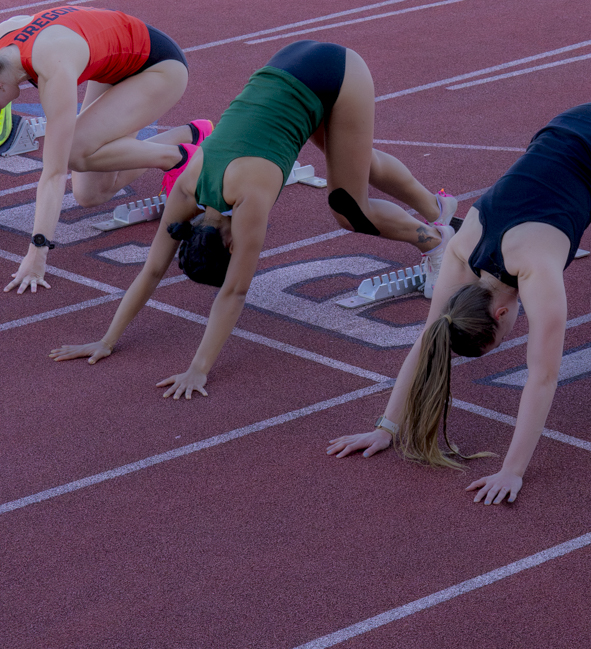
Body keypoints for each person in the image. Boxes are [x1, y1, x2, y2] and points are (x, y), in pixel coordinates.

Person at [327, 102, 591, 504]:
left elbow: (543, 378)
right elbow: (428, 339)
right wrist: (386, 428)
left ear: (499, 314)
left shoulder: (535, 272)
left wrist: (512, 470)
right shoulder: (461, 253)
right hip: (572, 135)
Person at [49, 40, 457, 397]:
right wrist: (106, 339)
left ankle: (437, 242)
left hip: (336, 75)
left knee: (350, 210)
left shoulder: (249, 199)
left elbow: (234, 293)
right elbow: (152, 270)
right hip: (288, 63)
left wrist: (199, 368)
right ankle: (438, 208)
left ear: (229, 243)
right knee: (353, 161)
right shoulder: (187, 189)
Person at [0, 6, 206, 294]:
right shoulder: (4, 45)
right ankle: (193, 135)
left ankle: (180, 158)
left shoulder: (52, 70)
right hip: (114, 61)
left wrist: (37, 252)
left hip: (158, 67)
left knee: (71, 152)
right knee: (91, 193)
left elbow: (54, 173)